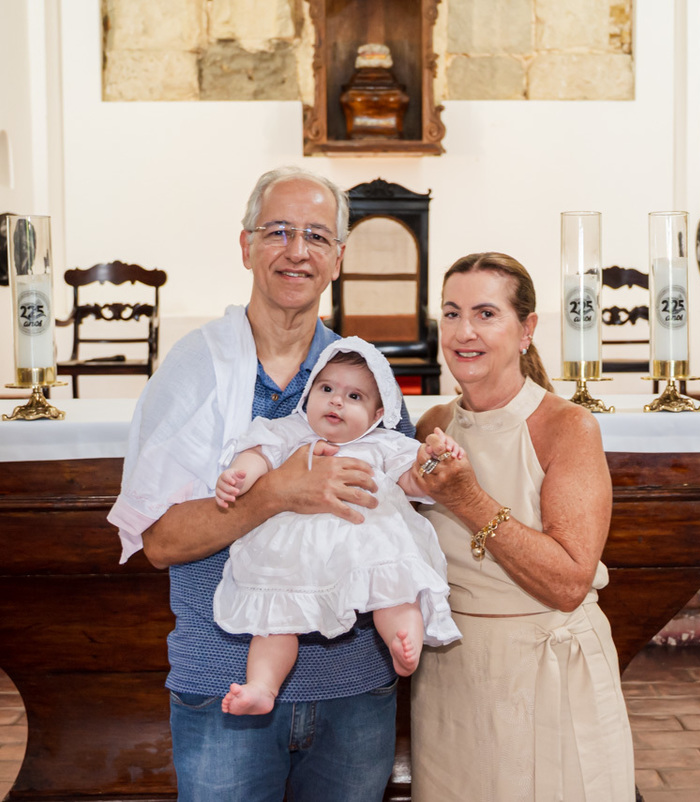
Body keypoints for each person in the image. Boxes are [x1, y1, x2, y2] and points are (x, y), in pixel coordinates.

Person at [108, 167, 415, 801]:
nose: (296, 250)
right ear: (246, 245)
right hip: (225, 683)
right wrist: (277, 492)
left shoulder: (364, 379)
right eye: (277, 231)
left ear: (338, 257)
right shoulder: (196, 372)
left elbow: (404, 504)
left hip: (354, 686)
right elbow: (159, 542)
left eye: (316, 235)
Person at [409, 252, 636, 801]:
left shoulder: (566, 427)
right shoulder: (433, 425)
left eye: (486, 314)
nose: (465, 331)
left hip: (546, 672)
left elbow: (567, 582)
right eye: (452, 312)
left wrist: (468, 499)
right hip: (452, 676)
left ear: (526, 329)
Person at [213, 338, 462, 716]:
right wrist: (238, 476)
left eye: (354, 396)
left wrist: (433, 458)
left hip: (367, 544)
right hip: (295, 553)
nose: (336, 401)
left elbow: (414, 479)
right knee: (274, 620)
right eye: (326, 389)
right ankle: (262, 687)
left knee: (397, 592)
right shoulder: (291, 431)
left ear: (378, 413)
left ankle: (404, 642)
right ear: (309, 393)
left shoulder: (381, 443)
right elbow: (258, 453)